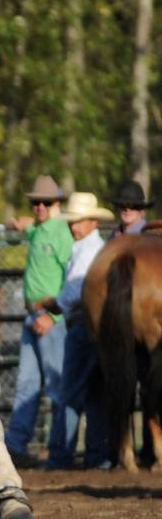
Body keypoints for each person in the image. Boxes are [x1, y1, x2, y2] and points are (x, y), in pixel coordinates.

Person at [37, 192, 113, 469]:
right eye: (73, 221)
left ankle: (60, 455)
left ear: (93, 222)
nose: (73, 226)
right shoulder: (96, 247)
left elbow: (75, 291)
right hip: (99, 327)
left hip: (82, 325)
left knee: (70, 392)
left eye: (79, 221)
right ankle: (98, 455)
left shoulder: (86, 250)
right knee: (96, 393)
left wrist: (53, 303)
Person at [3, 175, 74, 467]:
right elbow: (30, 227)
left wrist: (54, 314)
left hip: (51, 319)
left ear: (57, 204)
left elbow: (71, 278)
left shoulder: (61, 233)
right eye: (36, 202)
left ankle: (59, 453)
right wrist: (23, 224)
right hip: (33, 315)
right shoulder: (40, 229)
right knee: (27, 383)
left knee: (56, 386)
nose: (40, 206)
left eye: (46, 202)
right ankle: (15, 447)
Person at [108, 179, 157, 467]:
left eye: (133, 206)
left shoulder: (150, 239)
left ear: (141, 211)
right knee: (128, 383)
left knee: (150, 384)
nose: (127, 210)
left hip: (145, 325)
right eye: (124, 206)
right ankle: (126, 448)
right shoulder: (114, 239)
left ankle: (148, 448)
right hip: (120, 327)